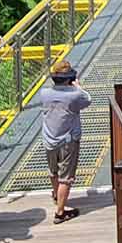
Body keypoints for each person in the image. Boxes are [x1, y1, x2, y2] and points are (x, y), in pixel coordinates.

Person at [29, 60, 93, 222]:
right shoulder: (74, 95)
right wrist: (78, 87)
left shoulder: (44, 93)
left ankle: (58, 197)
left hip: (49, 139)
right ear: (69, 78)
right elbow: (87, 100)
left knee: (53, 172)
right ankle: (60, 212)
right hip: (68, 141)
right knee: (66, 177)